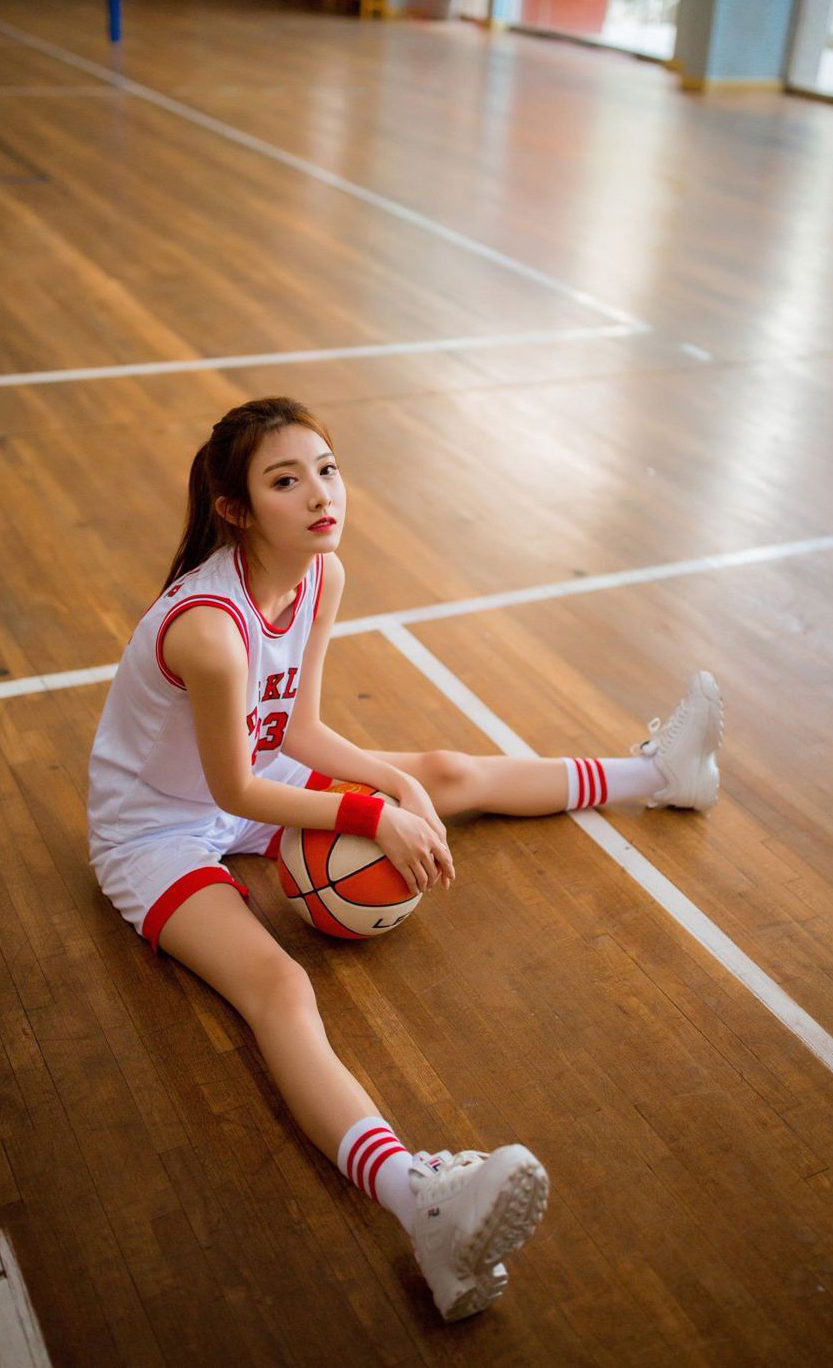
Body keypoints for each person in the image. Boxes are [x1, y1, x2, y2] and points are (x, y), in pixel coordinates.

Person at [88, 397, 724, 1322]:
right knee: (280, 988)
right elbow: (232, 792)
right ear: (235, 508)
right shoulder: (209, 632)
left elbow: (298, 729)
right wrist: (367, 816)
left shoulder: (320, 575)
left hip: (251, 776)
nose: (319, 494)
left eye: (327, 468)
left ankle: (663, 772)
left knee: (449, 771)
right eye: (285, 480)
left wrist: (396, 784)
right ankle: (416, 1200)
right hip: (155, 830)